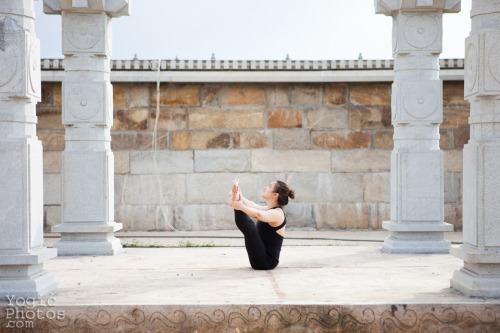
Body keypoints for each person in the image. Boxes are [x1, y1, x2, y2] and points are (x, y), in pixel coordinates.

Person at [227, 179, 295, 270]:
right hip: (259, 258)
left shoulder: (278, 214)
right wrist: (239, 195)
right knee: (248, 225)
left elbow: (258, 214)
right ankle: (237, 200)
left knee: (250, 227)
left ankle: (237, 203)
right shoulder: (269, 209)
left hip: (267, 262)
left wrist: (240, 206)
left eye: (269, 186)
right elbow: (253, 206)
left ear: (275, 195)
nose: (265, 187)